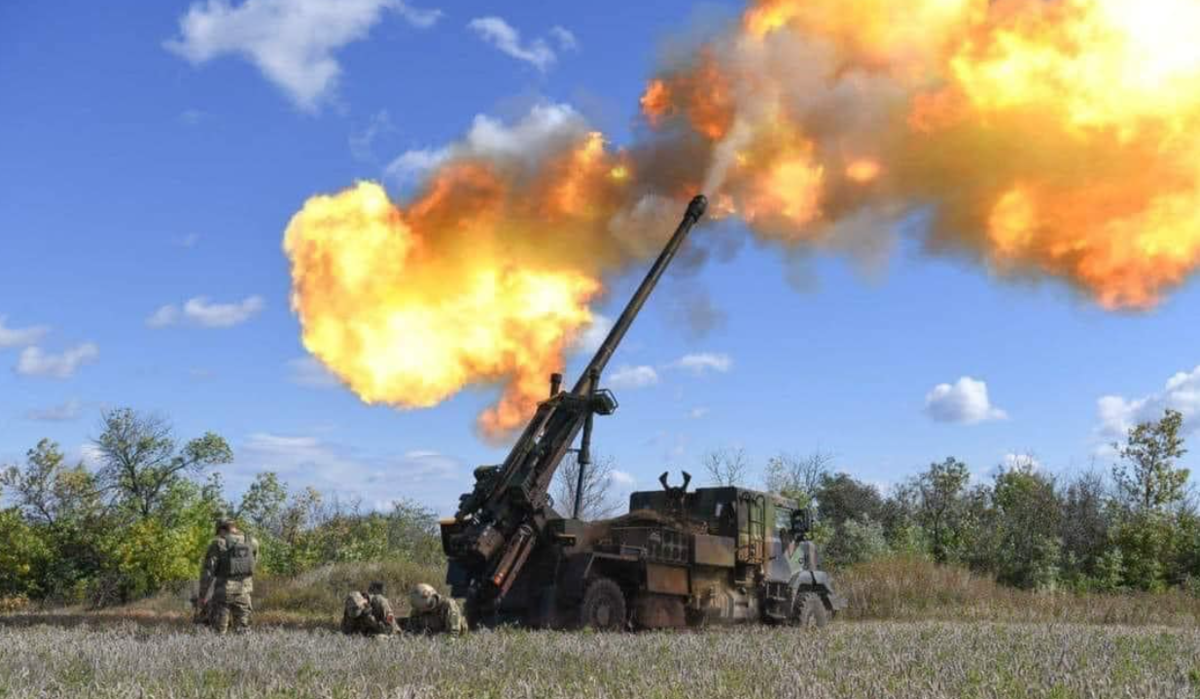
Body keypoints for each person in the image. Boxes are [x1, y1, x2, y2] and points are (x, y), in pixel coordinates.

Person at [198, 516, 258, 634]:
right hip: (244, 593)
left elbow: (208, 572)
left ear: (221, 529)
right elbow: (253, 564)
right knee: (243, 632)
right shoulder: (252, 542)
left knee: (218, 633)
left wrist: (202, 596)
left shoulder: (218, 543)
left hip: (223, 593)